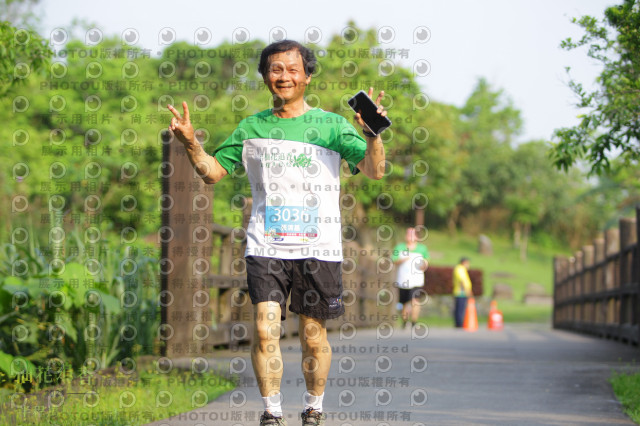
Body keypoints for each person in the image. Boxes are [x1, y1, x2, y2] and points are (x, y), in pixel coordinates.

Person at [168, 40, 387, 426]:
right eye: (275, 69)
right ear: (265, 75)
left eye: (291, 69)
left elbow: (375, 171)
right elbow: (212, 173)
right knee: (264, 329)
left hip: (319, 247)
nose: (283, 76)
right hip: (265, 245)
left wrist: (372, 134)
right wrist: (190, 143)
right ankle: (271, 413)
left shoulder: (332, 125)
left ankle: (313, 407)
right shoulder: (250, 127)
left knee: (313, 336)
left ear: (307, 75)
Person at [391, 227, 429, 330]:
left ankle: (414, 321)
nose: (410, 237)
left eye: (412, 234)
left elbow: (426, 261)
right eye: (408, 234)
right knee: (404, 303)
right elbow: (394, 260)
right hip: (402, 280)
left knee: (415, 301)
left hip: (416, 280)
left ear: (416, 237)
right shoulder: (399, 247)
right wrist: (403, 259)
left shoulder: (422, 249)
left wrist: (423, 265)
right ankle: (404, 321)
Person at [452, 257, 473, 328]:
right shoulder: (460, 269)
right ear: (464, 262)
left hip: (461, 292)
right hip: (461, 292)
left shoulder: (461, 269)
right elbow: (462, 280)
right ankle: (459, 323)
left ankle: (459, 323)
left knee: (460, 308)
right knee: (460, 309)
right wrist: (467, 291)